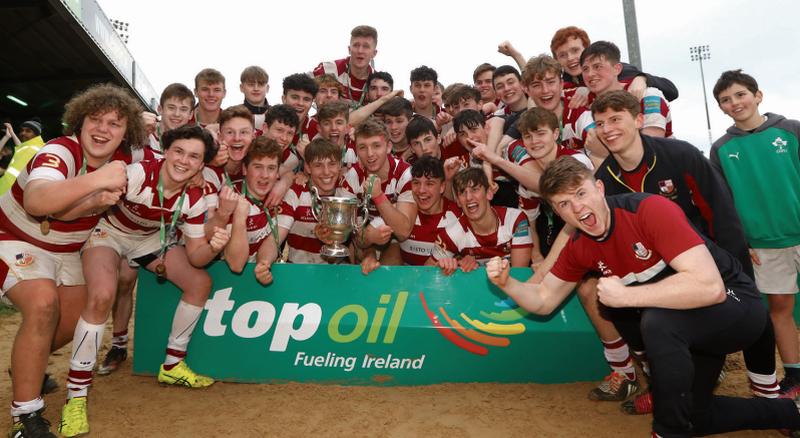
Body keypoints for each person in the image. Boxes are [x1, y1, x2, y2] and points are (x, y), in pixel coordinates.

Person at [486, 156, 800, 437]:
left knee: (655, 320)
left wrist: (626, 296)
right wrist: (507, 283)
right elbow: (543, 300)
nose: (577, 208)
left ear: (599, 188)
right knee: (694, 415)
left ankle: (666, 432)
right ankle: (790, 413)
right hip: (690, 329)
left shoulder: (648, 209)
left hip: (736, 307)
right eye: (563, 204)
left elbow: (710, 288)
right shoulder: (579, 245)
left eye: (580, 194)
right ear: (556, 211)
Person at [584, 90, 777, 412]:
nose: (607, 129)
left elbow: (719, 211)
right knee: (631, 315)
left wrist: (737, 267)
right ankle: (663, 389)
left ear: (639, 119)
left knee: (753, 312)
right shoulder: (605, 180)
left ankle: (768, 394)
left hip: (710, 260)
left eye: (615, 119)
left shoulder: (680, 155)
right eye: (600, 123)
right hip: (656, 271)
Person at [59, 125, 228, 437]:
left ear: (202, 165)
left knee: (199, 283)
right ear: (166, 151)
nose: (183, 161)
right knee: (101, 295)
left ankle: (172, 366)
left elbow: (196, 257)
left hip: (150, 241)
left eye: (194, 156)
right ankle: (76, 396)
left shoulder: (195, 197)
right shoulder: (137, 174)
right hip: (108, 233)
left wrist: (214, 245)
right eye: (178, 151)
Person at [0, 84, 143, 438]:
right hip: (13, 237)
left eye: (115, 123)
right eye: (95, 119)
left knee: (78, 321)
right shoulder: (61, 151)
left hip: (67, 250)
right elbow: (37, 202)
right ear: (79, 122)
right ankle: (26, 417)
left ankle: (27, 364)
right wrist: (98, 180)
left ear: (127, 134)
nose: (102, 129)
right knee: (44, 305)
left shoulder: (126, 164)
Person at [711, 69, 800, 395]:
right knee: (780, 310)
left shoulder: (791, 130)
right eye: (725, 100)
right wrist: (740, 242)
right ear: (720, 108)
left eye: (740, 94)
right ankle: (794, 375)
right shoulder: (721, 149)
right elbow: (724, 203)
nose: (734, 103)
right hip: (763, 245)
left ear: (757, 95)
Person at [262, 138, 357, 268]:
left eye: (332, 164)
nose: (326, 172)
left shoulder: (347, 194)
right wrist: (264, 263)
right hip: (299, 273)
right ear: (307, 167)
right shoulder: (296, 193)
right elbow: (275, 239)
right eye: (318, 165)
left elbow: (357, 244)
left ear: (340, 165)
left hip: (336, 273)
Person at [362, 156, 461, 273]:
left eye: (429, 183)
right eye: (416, 183)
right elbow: (363, 239)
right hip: (406, 288)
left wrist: (461, 261)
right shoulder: (400, 213)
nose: (421, 190)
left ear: (442, 187)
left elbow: (471, 254)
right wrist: (370, 255)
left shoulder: (457, 216)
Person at [427, 166, 531, 275]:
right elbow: (426, 273)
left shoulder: (515, 220)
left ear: (489, 193)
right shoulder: (451, 234)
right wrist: (449, 266)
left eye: (474, 189)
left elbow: (519, 275)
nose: (468, 197)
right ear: (458, 201)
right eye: (462, 192)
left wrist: (477, 266)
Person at [548, 26, 678, 101]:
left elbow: (671, 90)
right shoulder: (557, 84)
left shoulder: (612, 70)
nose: (570, 58)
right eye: (562, 55)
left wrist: (642, 78)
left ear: (587, 49)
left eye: (575, 50)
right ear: (557, 61)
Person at [222, 136, 282, 285]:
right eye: (258, 167)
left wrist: (264, 264)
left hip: (253, 282)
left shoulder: (279, 197)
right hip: (223, 282)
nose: (265, 175)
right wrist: (240, 218)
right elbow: (236, 264)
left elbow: (272, 240)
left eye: (271, 168)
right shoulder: (230, 197)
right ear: (244, 169)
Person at [312, 25, 378, 109]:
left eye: (366, 46)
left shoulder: (377, 82)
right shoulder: (330, 68)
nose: (360, 51)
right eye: (356, 45)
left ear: (374, 53)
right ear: (349, 49)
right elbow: (297, 88)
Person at [144, 83, 195, 153]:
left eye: (183, 109)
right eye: (171, 108)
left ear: (190, 115)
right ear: (160, 109)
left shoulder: (194, 145)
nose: (177, 114)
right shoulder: (144, 131)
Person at [0, 119, 45, 195]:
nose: (23, 133)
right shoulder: (29, 146)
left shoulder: (39, 149)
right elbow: (20, 146)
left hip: (10, 192)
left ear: (36, 134)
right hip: (5, 188)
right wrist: (10, 133)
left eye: (28, 131)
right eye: (22, 130)